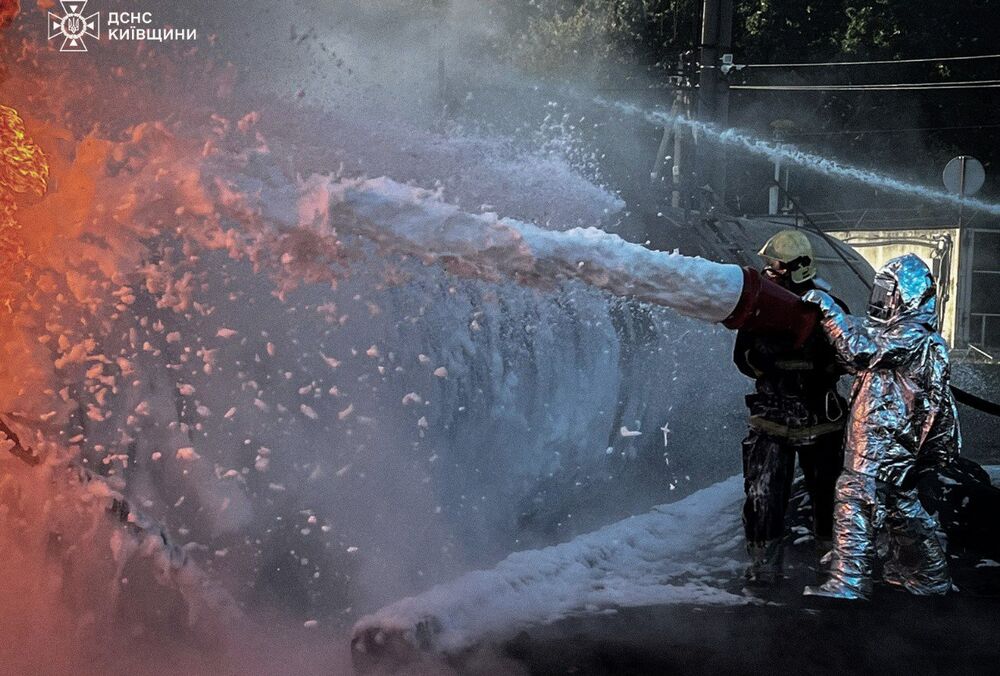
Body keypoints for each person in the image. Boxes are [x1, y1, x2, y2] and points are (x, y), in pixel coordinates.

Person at [802, 253, 959, 600]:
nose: (882, 301)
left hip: (880, 442)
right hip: (891, 443)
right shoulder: (910, 335)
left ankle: (849, 580)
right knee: (901, 508)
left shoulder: (910, 335)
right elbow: (854, 351)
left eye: (889, 293)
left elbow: (860, 352)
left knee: (855, 499)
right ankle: (927, 575)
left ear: (906, 296)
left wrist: (828, 310)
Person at [734, 230, 848, 585]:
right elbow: (742, 358)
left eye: (776, 265)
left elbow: (848, 355)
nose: (769, 271)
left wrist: (818, 366)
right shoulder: (760, 307)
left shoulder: (829, 307)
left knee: (827, 495)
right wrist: (771, 363)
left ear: (799, 267)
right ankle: (764, 567)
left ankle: (830, 564)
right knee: (763, 493)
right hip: (771, 418)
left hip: (821, 418)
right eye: (768, 264)